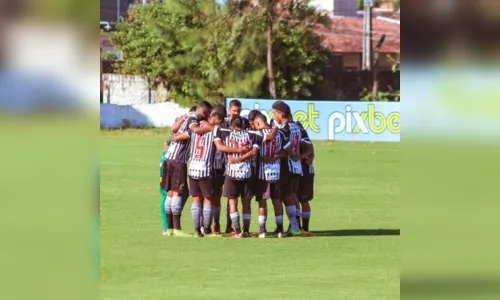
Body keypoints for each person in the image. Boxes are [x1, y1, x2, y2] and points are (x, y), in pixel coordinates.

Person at [215, 116, 279, 238]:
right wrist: (275, 127)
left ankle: (237, 231)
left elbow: (219, 145)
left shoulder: (225, 132)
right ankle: (246, 231)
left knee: (232, 203)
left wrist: (236, 156)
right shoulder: (251, 134)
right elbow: (268, 138)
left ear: (232, 126)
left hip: (231, 173)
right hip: (247, 173)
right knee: (246, 203)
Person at [162, 101, 212, 237]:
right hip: (178, 160)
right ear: (204, 112)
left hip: (169, 158)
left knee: (171, 193)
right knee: (177, 192)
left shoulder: (186, 117)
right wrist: (177, 138)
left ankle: (170, 229)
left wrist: (174, 136)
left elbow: (174, 128)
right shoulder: (193, 120)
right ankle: (177, 228)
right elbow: (192, 131)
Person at [266, 101, 307, 237]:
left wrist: (274, 156)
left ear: (281, 114)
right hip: (296, 166)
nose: (273, 117)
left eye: (274, 114)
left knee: (286, 196)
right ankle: (296, 226)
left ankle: (294, 227)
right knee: (293, 196)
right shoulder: (296, 126)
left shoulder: (284, 130)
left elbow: (288, 150)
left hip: (287, 166)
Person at [252, 113, 287, 238]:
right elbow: (286, 150)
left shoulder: (258, 134)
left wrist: (264, 157)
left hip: (263, 174)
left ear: (257, 123)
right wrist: (275, 156)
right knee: (277, 201)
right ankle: (280, 230)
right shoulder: (280, 134)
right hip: (276, 172)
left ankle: (262, 230)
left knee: (262, 202)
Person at [295, 121, 315, 237]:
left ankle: (305, 228)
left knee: (302, 199)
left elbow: (310, 148)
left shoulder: (298, 131)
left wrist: (300, 157)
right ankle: (297, 226)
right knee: (294, 199)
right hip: (298, 168)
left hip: (305, 169)